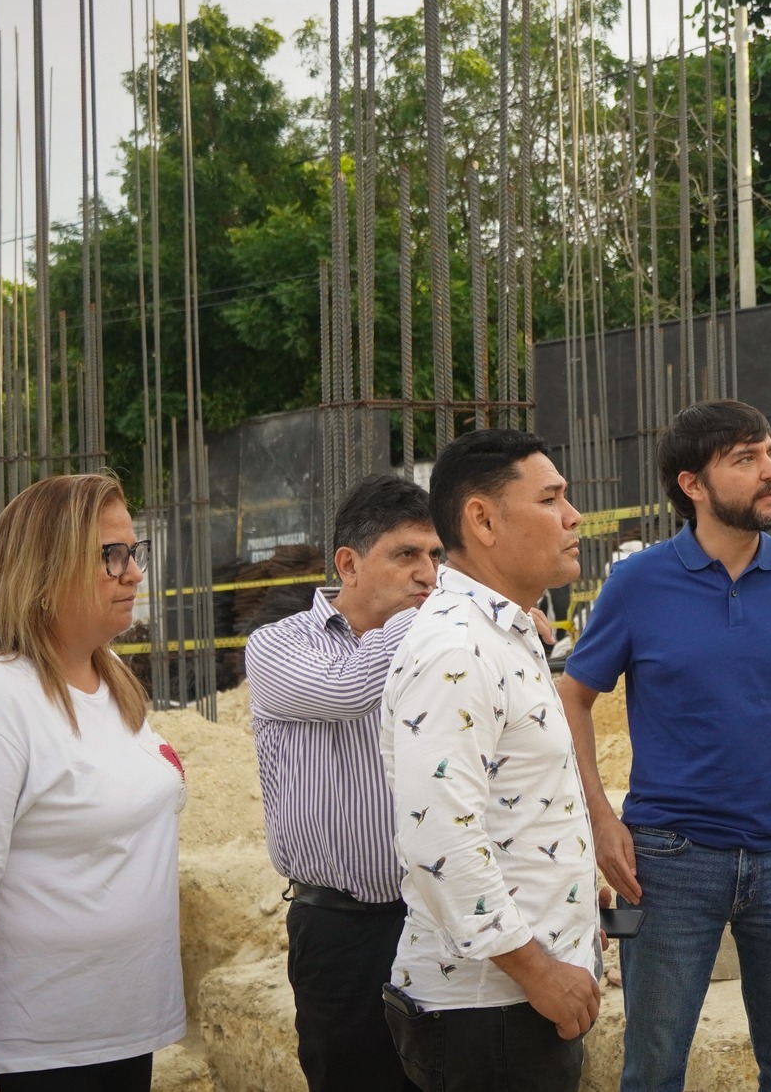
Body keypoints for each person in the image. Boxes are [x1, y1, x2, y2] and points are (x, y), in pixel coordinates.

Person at [558, 399, 771, 1092]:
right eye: (745, 459)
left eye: (769, 453)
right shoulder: (636, 584)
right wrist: (600, 816)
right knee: (652, 1071)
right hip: (666, 862)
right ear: (692, 485)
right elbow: (572, 697)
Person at [0, 473, 185, 1092]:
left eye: (134, 552)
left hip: (110, 1036)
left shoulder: (109, 685)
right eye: (111, 555)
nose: (133, 572)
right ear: (44, 569)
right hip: (25, 1059)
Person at [378, 429, 601, 1092]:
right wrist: (539, 970)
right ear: (482, 519)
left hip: (513, 1004)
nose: (573, 516)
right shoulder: (457, 647)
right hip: (490, 1011)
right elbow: (439, 835)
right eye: (552, 498)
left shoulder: (503, 632)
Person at [244, 474, 442, 1092]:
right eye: (406, 554)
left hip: (439, 917)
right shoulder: (277, 646)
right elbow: (346, 689)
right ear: (349, 564)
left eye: (437, 555)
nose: (428, 574)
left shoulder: (444, 646)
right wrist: (436, 618)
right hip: (341, 931)